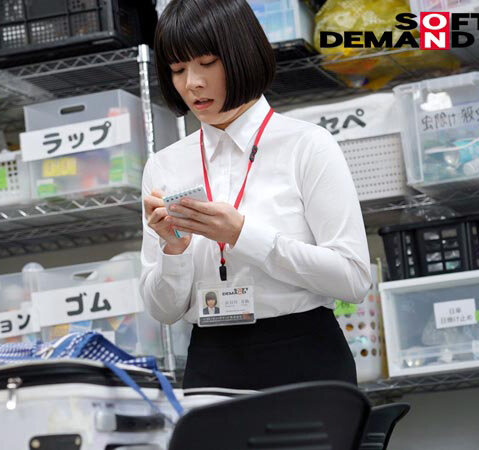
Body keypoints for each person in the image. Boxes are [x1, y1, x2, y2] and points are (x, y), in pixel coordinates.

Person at [140, 0, 371, 390]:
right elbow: (163, 311)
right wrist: (173, 251)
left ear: (241, 55)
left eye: (206, 63)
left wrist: (242, 235)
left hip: (304, 355)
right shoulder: (164, 166)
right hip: (211, 360)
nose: (192, 83)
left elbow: (353, 278)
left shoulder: (307, 145)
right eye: (177, 70)